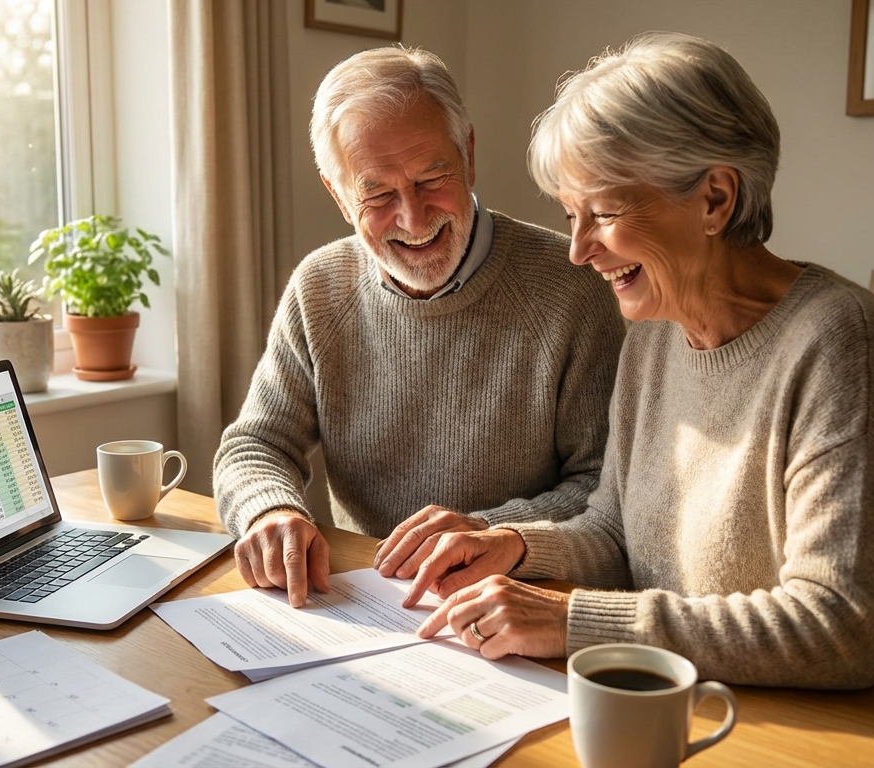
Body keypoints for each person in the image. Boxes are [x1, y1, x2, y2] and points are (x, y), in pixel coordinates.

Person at [401, 32, 874, 690]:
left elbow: (839, 626)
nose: (579, 250)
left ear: (716, 199)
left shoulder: (842, 343)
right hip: (715, 696)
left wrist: (572, 620)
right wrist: (517, 545)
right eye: (570, 215)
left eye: (604, 212)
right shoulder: (655, 337)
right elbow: (616, 531)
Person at [214, 46, 625, 608]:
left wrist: (487, 531)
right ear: (339, 195)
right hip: (364, 600)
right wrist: (270, 510)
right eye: (377, 194)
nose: (412, 218)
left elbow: (605, 490)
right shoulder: (319, 287)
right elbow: (255, 444)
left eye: (432, 178)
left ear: (468, 154)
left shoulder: (573, 284)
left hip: (518, 603)